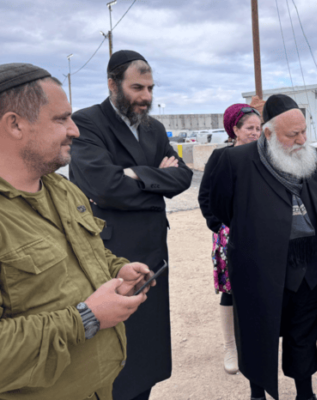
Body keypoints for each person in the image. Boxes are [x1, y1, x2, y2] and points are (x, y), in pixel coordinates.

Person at [0, 63, 155, 399]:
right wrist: (86, 318)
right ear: (15, 124)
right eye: (61, 119)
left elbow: (89, 252)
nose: (75, 130)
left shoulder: (64, 191)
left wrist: (118, 269)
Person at [69, 50, 193, 400]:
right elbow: (104, 187)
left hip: (153, 251)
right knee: (117, 351)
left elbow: (183, 177)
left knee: (148, 349)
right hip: (113, 253)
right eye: (137, 87)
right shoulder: (89, 122)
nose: (146, 97)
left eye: (151, 88)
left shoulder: (151, 127)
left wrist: (133, 174)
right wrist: (157, 179)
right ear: (112, 84)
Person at [210, 94, 317, 400]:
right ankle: (258, 392)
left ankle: (304, 392)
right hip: (259, 266)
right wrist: (259, 232)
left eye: (303, 131)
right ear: (268, 133)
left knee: (303, 333)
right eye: (292, 135)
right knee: (259, 332)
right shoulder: (235, 161)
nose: (301, 140)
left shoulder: (313, 158)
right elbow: (219, 208)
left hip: (309, 265)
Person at [198, 103, 262, 374]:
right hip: (230, 236)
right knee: (230, 292)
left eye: (259, 128)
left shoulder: (267, 155)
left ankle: (257, 344)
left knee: (261, 289)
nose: (255, 133)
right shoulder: (221, 157)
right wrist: (221, 225)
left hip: (262, 235)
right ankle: (230, 346)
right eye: (250, 128)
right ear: (235, 129)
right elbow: (205, 196)